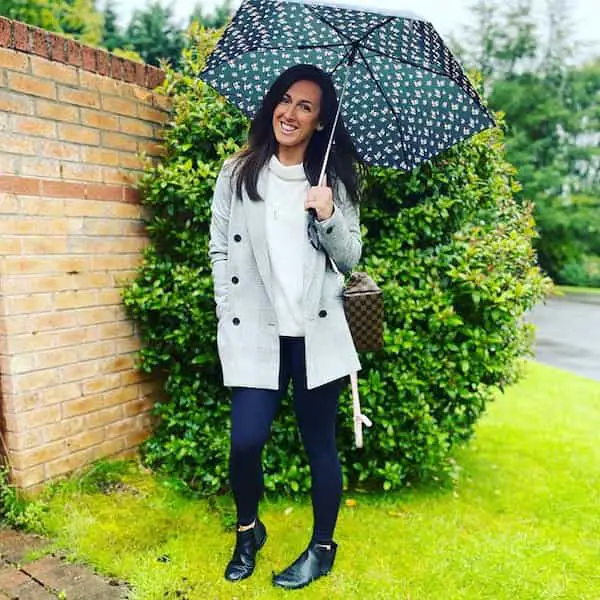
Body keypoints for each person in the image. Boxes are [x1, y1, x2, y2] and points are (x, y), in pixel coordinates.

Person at [208, 63, 364, 590]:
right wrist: (226, 310)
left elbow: (349, 258)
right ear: (272, 103)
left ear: (321, 120)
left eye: (305, 106)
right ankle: (248, 531)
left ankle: (322, 548)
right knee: (245, 442)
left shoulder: (334, 182)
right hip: (257, 332)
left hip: (315, 335)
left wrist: (327, 216)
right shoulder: (238, 172)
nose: (290, 113)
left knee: (321, 445)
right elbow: (218, 247)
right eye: (285, 100)